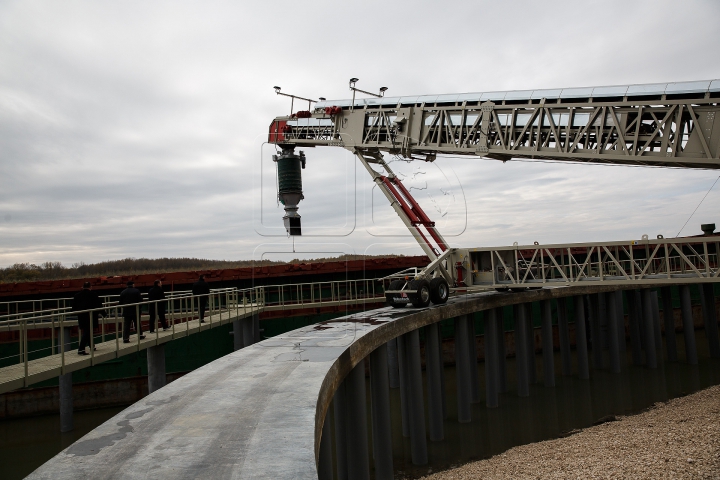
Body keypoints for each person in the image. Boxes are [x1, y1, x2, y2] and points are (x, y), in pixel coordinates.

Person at [72, 282, 105, 355]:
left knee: (87, 331)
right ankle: (81, 349)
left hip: (82, 316)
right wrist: (104, 314)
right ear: (90, 287)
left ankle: (91, 346)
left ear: (82, 287)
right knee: (88, 331)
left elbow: (74, 308)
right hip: (91, 316)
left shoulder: (77, 295)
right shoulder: (93, 295)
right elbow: (99, 305)